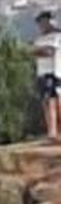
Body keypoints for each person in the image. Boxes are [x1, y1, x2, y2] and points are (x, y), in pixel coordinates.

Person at [36, 12, 61, 143]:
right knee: (46, 103)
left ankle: (53, 132)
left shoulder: (57, 36)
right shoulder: (40, 39)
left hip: (53, 72)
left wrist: (38, 51)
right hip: (42, 73)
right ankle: (52, 131)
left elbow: (49, 52)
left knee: (53, 102)